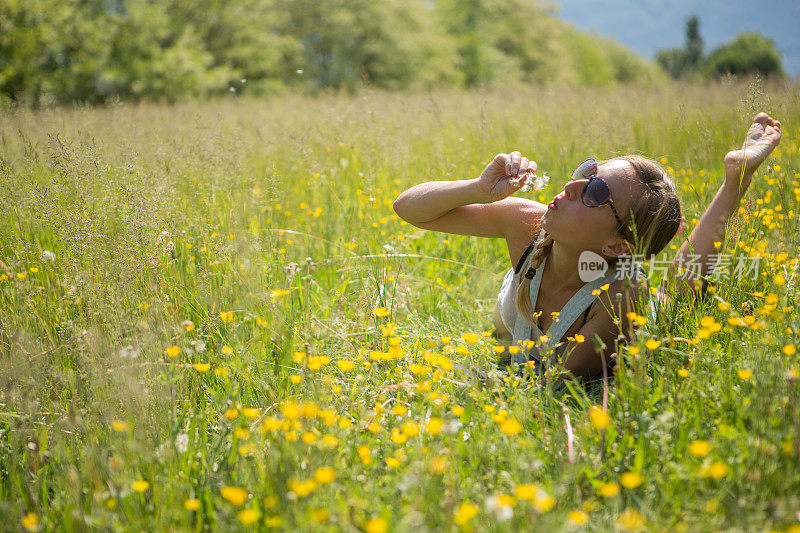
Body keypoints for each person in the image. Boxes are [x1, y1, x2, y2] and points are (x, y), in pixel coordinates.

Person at [392, 112, 782, 391]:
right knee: (677, 286)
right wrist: (478, 189)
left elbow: (551, 382)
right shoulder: (527, 224)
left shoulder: (623, 297)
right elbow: (407, 208)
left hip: (627, 298)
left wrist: (466, 384)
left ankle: (736, 178)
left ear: (616, 245)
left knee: (679, 296)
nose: (572, 185)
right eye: (587, 173)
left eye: (595, 193)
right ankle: (734, 179)